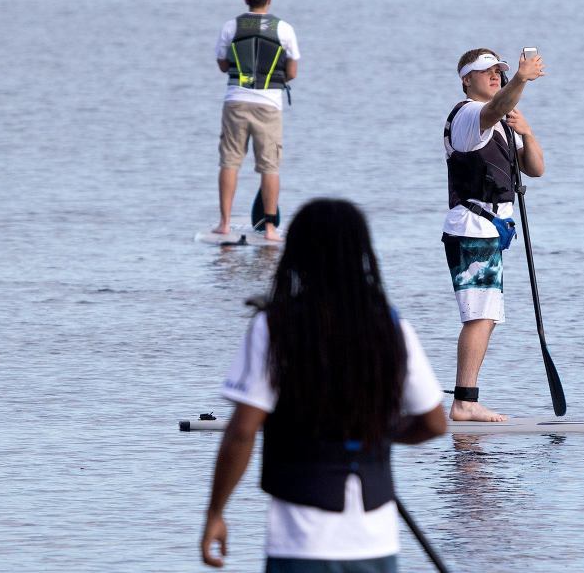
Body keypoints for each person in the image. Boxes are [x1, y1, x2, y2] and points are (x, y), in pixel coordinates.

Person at [201, 199, 447, 572]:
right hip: (376, 538)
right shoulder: (393, 328)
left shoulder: (274, 327)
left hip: (301, 540)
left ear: (296, 254)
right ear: (363, 254)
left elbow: (242, 431)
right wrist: (375, 433)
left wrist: (215, 512)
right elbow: (434, 424)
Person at [441, 48, 546, 423]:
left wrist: (528, 134)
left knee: (486, 315)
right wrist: (521, 80)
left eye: (499, 72)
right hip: (471, 230)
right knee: (480, 316)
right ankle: (465, 402)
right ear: (466, 79)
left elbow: (535, 170)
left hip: (490, 232)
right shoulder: (470, 114)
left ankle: (465, 399)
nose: (495, 76)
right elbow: (491, 110)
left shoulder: (504, 121)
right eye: (486, 71)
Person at [213, 0, 300, 241]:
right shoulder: (284, 29)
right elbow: (293, 72)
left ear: (245, 0)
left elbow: (222, 64)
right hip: (269, 104)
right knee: (270, 166)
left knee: (230, 162)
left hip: (236, 101)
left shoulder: (231, 26)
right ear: (269, 1)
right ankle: (271, 229)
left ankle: (224, 224)